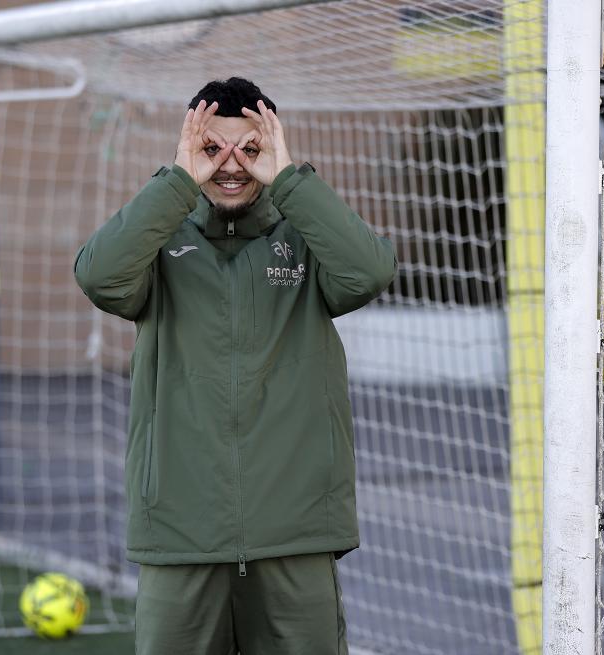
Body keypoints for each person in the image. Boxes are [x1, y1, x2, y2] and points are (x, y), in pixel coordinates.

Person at [73, 77, 397, 654]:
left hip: (295, 533)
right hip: (180, 531)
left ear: (273, 149)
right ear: (188, 151)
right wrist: (176, 182)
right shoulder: (160, 239)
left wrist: (291, 181)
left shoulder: (304, 236)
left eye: (249, 149)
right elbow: (99, 277)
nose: (230, 165)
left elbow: (368, 273)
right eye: (211, 148)